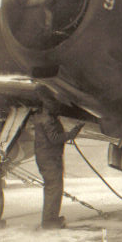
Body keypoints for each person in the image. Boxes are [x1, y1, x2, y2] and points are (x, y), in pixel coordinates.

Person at [34, 87, 83, 229]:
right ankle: (49, 222)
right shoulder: (48, 120)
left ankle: (50, 219)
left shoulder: (41, 117)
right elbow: (54, 138)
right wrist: (74, 131)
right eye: (54, 104)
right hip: (50, 159)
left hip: (46, 157)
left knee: (52, 188)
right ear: (48, 104)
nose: (57, 107)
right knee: (54, 189)